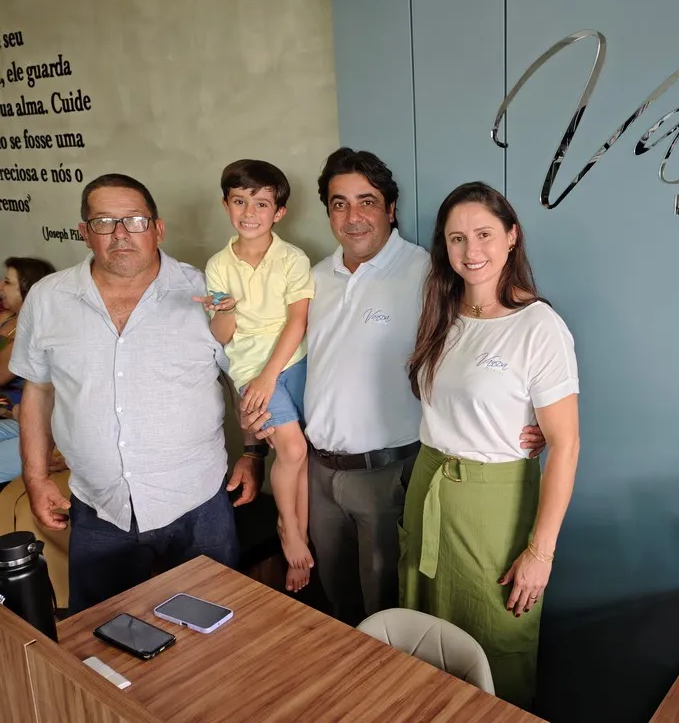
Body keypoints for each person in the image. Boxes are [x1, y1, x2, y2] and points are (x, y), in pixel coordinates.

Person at [243, 148, 546, 626]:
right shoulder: (311, 278)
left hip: (390, 475)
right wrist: (253, 445)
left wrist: (532, 417)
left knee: (390, 614)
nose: (353, 216)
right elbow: (261, 351)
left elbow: (497, 330)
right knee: (338, 607)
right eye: (339, 203)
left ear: (390, 208)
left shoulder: (429, 273)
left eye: (367, 201)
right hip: (318, 474)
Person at [10, 173, 262, 614]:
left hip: (198, 503)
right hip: (99, 507)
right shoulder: (49, 299)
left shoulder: (205, 292)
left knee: (214, 629)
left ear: (158, 229)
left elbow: (244, 377)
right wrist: (35, 476)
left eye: (135, 220)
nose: (121, 234)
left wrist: (254, 453)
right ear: (85, 232)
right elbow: (38, 389)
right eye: (104, 222)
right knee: (103, 633)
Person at [399, 182, 580, 710]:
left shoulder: (539, 327)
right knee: (422, 641)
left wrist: (540, 553)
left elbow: (566, 446)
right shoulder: (442, 311)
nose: (471, 251)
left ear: (511, 237)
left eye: (484, 234)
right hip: (429, 488)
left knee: (495, 645)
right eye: (457, 238)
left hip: (495, 507)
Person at [196, 159, 315, 592]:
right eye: (239, 201)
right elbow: (222, 336)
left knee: (300, 456)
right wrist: (225, 311)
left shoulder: (292, 258)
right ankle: (290, 530)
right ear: (225, 204)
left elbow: (298, 321)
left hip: (294, 361)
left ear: (278, 212)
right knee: (292, 448)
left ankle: (300, 529)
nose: (249, 212)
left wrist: (272, 375)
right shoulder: (218, 265)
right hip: (250, 369)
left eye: (261, 203)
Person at [0, 256, 57, 488]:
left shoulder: (40, 329)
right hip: (18, 417)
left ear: (29, 290)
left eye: (7, 282)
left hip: (41, 424)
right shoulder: (11, 320)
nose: (1, 287)